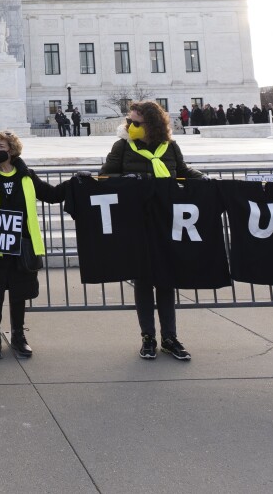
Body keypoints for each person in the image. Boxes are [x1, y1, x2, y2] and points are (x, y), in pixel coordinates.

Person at [101, 100, 204, 362]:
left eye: (136, 122)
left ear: (152, 124)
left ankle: (170, 337)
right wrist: (127, 180)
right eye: (129, 122)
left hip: (165, 220)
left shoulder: (170, 146)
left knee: (166, 280)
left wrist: (202, 179)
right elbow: (105, 175)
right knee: (143, 281)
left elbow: (181, 172)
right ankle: (148, 337)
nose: (130, 126)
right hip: (136, 221)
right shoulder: (123, 146)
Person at [0, 131, 65, 359]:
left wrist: (75, 184)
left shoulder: (27, 176)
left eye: (0, 145)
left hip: (22, 243)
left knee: (19, 293)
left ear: (11, 149)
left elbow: (50, 194)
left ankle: (18, 335)